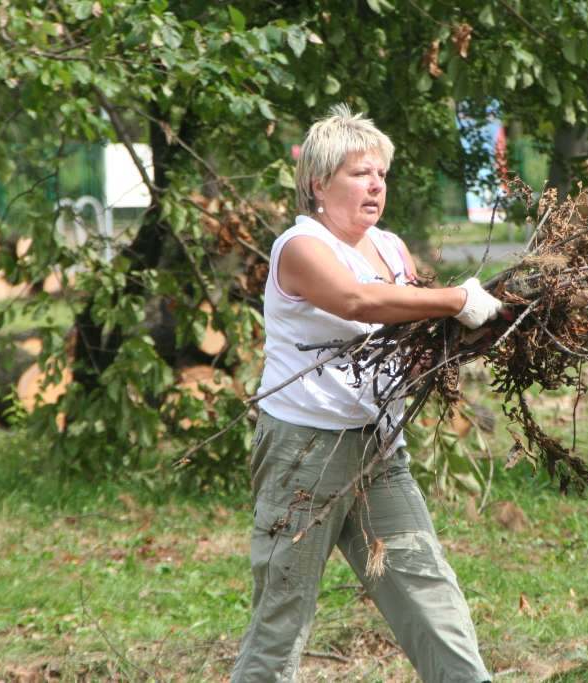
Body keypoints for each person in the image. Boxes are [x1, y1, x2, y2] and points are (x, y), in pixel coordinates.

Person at [230, 105, 502, 683]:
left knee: (430, 596)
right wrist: (456, 299)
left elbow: (412, 324)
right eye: (359, 173)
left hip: (379, 451)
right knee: (283, 616)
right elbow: (357, 302)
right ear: (318, 184)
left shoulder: (393, 249)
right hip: (303, 456)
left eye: (381, 173)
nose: (375, 185)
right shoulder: (300, 248)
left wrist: (489, 326)